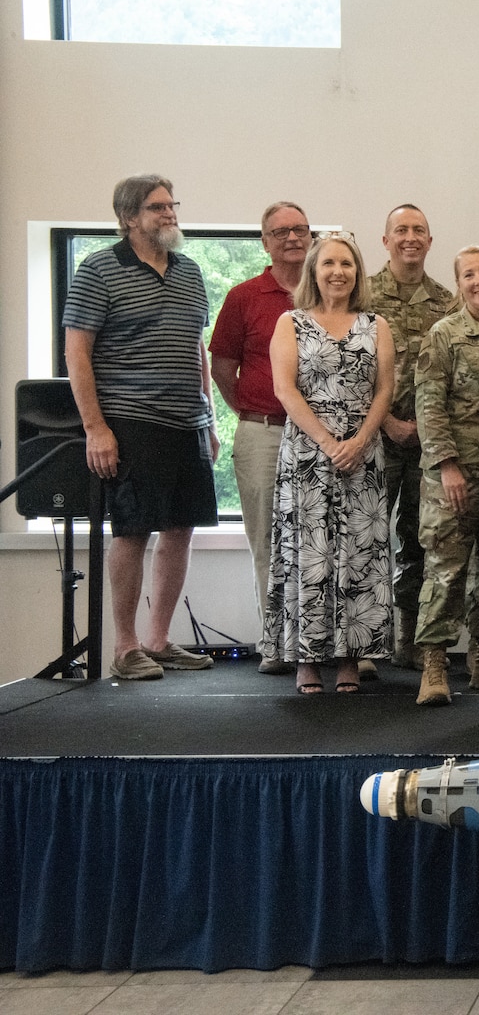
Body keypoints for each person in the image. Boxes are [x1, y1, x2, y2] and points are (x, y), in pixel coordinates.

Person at [62, 174, 219, 681]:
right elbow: (77, 352)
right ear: (129, 218)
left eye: (172, 204)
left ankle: (158, 640)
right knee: (132, 530)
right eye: (157, 207)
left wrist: (210, 420)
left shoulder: (191, 271)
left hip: (187, 424)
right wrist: (96, 428)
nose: (169, 213)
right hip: (131, 423)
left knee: (180, 529)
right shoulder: (98, 270)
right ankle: (126, 647)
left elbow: (198, 350)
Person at [262, 231, 396, 693]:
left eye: (347, 264)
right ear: (313, 272)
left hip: (364, 454)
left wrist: (359, 440)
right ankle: (306, 659)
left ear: (358, 272)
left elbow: (384, 390)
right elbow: (285, 389)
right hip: (308, 456)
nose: (338, 272)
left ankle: (350, 659)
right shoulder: (290, 322)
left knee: (360, 555)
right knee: (310, 552)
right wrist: (328, 441)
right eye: (329, 264)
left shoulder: (376, 324)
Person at [411, 246, 479, 708]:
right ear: (458, 284)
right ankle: (434, 662)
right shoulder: (445, 335)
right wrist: (447, 465)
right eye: (469, 274)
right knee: (446, 570)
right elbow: (429, 404)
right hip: (455, 474)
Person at [210, 201, 308, 675]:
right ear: (265, 241)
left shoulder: (330, 291)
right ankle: (276, 643)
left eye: (300, 230)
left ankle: (325, 644)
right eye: (280, 231)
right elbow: (222, 368)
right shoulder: (243, 296)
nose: (292, 238)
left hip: (325, 440)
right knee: (268, 541)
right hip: (263, 433)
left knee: (324, 541)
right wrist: (252, 411)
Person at [369, 204, 458, 675]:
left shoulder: (448, 301)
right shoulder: (360, 297)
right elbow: (350, 373)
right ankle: (362, 643)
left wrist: (429, 428)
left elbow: (456, 375)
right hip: (370, 438)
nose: (409, 238)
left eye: (418, 230)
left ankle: (412, 639)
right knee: (363, 539)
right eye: (400, 230)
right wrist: (387, 424)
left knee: (421, 542)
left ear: (429, 240)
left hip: (429, 441)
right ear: (385, 240)